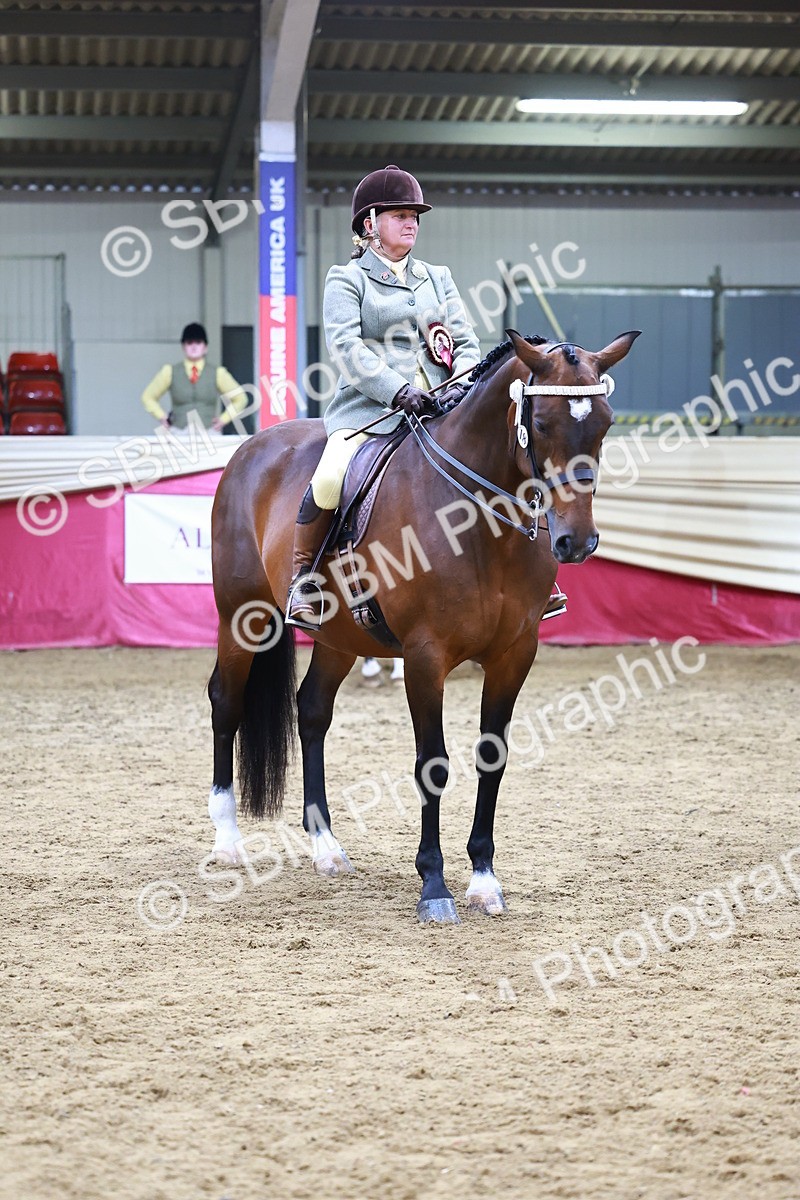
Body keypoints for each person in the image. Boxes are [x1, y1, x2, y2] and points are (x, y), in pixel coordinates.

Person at [285, 164, 481, 629]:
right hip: (371, 412)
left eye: (415, 215)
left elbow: (467, 341)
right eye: (400, 214)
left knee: (497, 456)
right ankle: (303, 578)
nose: (412, 222)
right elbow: (346, 349)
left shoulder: (438, 277)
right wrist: (398, 391)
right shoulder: (347, 279)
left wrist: (460, 386)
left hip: (440, 409)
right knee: (332, 473)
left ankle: (525, 575)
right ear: (370, 224)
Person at [140, 322, 248, 432]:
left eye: (198, 342)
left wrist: (223, 419)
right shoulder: (169, 371)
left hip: (209, 433)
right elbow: (147, 397)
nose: (194, 346)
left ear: (205, 347)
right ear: (183, 347)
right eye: (189, 342)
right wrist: (162, 417)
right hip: (178, 433)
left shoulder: (218, 373)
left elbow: (241, 398)